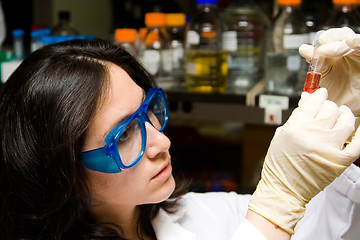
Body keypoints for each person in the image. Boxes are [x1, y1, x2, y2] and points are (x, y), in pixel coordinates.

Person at [0, 27, 359, 240]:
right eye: (124, 134)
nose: (161, 141)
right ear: (59, 173)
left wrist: (348, 117)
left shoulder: (189, 216)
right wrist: (273, 209)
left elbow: (322, 226)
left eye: (148, 110)